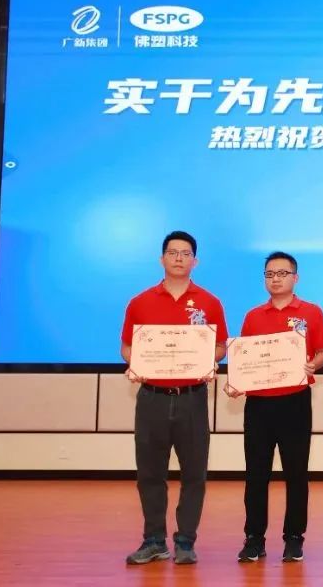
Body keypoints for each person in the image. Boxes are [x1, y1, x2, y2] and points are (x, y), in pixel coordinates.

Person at [121, 231, 227, 565]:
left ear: (195, 261)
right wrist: (136, 363)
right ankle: (154, 540)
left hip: (192, 398)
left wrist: (209, 359)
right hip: (151, 397)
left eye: (185, 253)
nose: (179, 258)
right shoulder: (140, 302)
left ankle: (185, 541)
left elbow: (220, 347)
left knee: (194, 474)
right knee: (150, 473)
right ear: (162, 259)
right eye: (172, 252)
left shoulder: (210, 302)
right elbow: (127, 347)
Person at [228, 251, 323, 563]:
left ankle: (294, 538)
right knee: (256, 474)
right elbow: (245, 358)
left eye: (282, 273)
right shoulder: (253, 316)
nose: (276, 279)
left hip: (295, 401)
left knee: (296, 473)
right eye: (270, 274)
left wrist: (314, 364)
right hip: (258, 404)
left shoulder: (311, 312)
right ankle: (254, 538)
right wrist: (237, 380)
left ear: (295, 278)